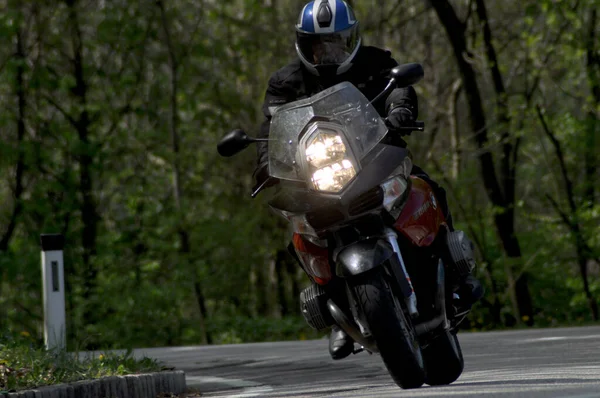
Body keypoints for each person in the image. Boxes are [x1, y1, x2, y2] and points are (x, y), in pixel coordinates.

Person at [253, 0, 483, 360]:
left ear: (352, 38)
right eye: (318, 44)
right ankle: (336, 314)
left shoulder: (375, 62)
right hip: (318, 176)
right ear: (303, 43)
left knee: (428, 186)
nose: (327, 51)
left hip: (376, 157)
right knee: (301, 234)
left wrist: (401, 109)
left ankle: (457, 276)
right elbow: (269, 128)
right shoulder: (286, 82)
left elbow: (399, 87)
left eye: (336, 42)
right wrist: (266, 162)